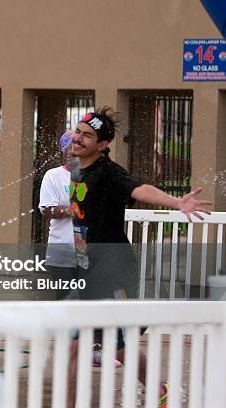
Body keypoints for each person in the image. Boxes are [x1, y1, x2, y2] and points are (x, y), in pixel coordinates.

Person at [65, 107, 211, 408]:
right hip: (88, 271)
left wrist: (175, 202)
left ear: (103, 145)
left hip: (113, 272)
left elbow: (139, 188)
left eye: (87, 135)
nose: (78, 138)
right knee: (108, 347)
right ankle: (160, 389)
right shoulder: (79, 168)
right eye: (78, 131)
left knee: (83, 346)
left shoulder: (109, 173)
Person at [38, 131, 77, 300]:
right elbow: (47, 210)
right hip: (61, 249)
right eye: (70, 147)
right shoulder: (53, 176)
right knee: (65, 297)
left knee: (88, 299)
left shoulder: (92, 175)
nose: (74, 151)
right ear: (64, 150)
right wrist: (74, 211)